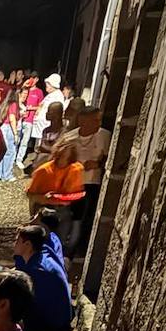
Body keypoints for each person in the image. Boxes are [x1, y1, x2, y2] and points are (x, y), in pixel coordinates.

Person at [14, 225, 72, 331]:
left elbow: (24, 301)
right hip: (62, 321)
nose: (14, 244)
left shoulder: (37, 271)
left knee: (4, 311)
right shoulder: (44, 251)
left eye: (17, 241)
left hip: (52, 329)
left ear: (28, 244)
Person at [63, 104, 111, 253]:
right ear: (83, 121)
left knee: (86, 217)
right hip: (73, 183)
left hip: (91, 183)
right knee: (71, 217)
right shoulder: (70, 138)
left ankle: (78, 249)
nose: (98, 124)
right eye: (94, 120)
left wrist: (97, 163)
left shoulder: (104, 136)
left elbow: (110, 158)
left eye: (99, 120)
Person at [14, 73, 44, 168]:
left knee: (25, 141)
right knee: (16, 140)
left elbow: (41, 106)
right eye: (30, 79)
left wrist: (32, 108)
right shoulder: (24, 89)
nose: (31, 81)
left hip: (29, 120)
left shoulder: (39, 92)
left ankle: (19, 159)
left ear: (37, 80)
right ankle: (12, 157)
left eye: (33, 79)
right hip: (19, 119)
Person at [32, 73, 66, 150]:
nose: (46, 85)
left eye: (48, 84)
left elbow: (57, 110)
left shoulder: (58, 96)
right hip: (42, 128)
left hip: (47, 128)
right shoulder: (50, 95)